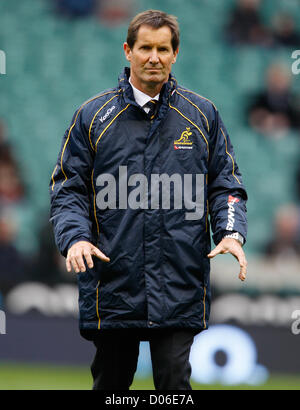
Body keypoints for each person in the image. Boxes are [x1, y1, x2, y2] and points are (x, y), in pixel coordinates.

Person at [50, 9, 248, 390]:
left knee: (174, 385)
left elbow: (226, 184)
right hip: (113, 280)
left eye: (162, 48)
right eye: (145, 48)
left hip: (178, 280)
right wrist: (75, 237)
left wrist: (230, 232)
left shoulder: (203, 115)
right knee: (111, 386)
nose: (153, 57)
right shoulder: (91, 117)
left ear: (175, 54)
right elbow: (67, 188)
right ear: (128, 50)